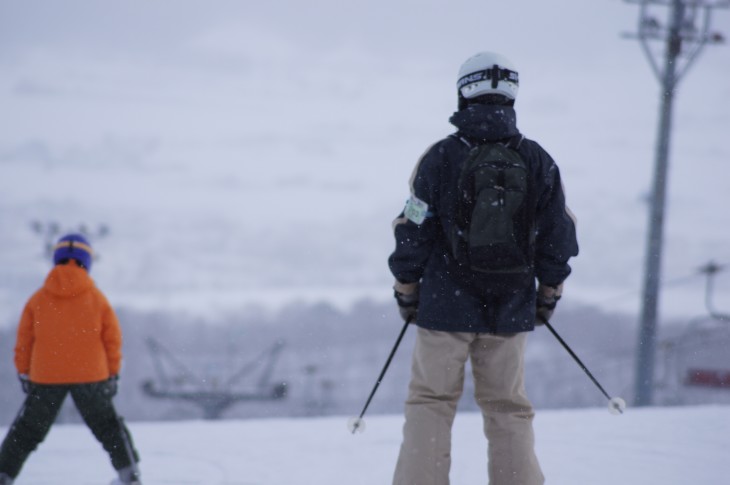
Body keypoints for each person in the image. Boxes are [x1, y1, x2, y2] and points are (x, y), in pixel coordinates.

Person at [388, 51, 579, 485]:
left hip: (444, 304)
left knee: (431, 401)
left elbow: (412, 230)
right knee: (507, 406)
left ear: (463, 93)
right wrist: (547, 295)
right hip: (510, 305)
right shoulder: (537, 160)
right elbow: (559, 237)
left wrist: (407, 290)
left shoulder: (439, 157)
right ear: (512, 95)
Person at [0, 234, 142, 485]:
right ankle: (129, 476)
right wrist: (113, 373)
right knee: (108, 427)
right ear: (87, 262)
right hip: (91, 375)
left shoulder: (38, 300)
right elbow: (112, 340)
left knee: (27, 431)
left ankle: (4, 475)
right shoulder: (97, 299)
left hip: (46, 376)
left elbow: (24, 341)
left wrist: (23, 371)